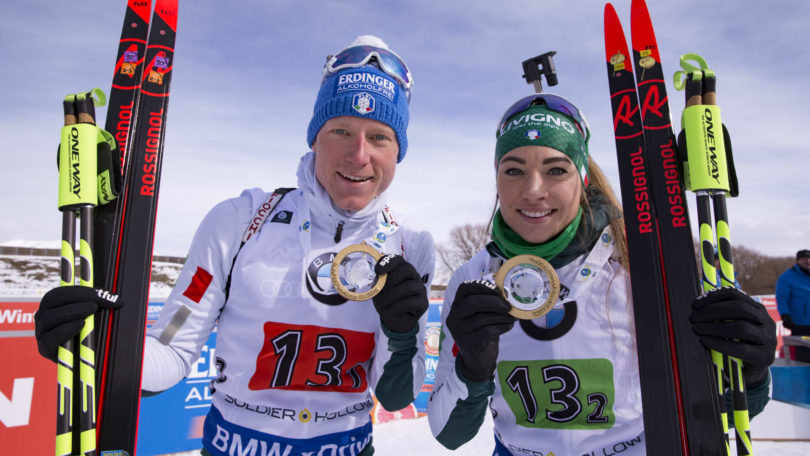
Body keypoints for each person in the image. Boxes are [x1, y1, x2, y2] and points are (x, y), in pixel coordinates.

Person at [35, 35, 434, 456]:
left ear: (398, 152)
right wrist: (98, 346)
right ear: (314, 138)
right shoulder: (241, 221)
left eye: (379, 137)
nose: (358, 155)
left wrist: (402, 333)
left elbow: (396, 395)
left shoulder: (410, 246)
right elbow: (170, 348)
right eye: (341, 131)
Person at [426, 93, 776, 455]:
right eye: (513, 170)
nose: (533, 191)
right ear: (496, 178)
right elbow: (449, 434)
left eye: (556, 170)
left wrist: (751, 371)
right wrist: (472, 368)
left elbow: (721, 413)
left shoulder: (642, 267)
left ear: (582, 179)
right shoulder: (474, 279)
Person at [776, 249, 810, 362]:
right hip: (801, 325)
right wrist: (785, 315)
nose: (808, 261)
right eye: (804, 259)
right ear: (798, 260)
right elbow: (782, 298)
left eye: (809, 258)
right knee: (804, 358)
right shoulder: (787, 276)